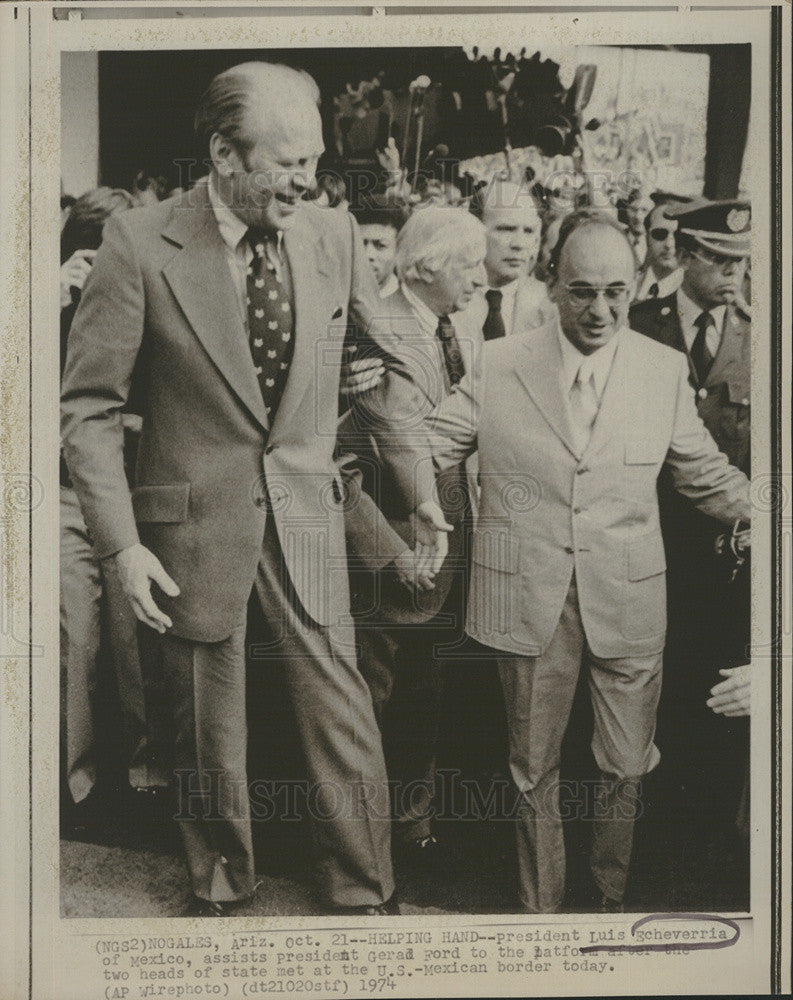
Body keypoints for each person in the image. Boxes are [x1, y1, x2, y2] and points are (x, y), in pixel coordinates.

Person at [61, 61, 419, 917]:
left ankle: (364, 891)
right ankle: (221, 891)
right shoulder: (140, 243)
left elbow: (399, 362)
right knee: (204, 728)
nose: (310, 180)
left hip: (305, 514)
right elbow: (88, 409)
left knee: (343, 715)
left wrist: (382, 389)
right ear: (223, 153)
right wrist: (122, 544)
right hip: (187, 527)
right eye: (289, 162)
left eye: (316, 160)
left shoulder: (330, 233)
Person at [380, 208, 751, 913]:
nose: (601, 309)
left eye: (616, 290)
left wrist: (772, 514)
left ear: (638, 281)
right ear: (552, 286)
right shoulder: (500, 361)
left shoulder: (661, 369)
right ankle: (538, 912)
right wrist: (364, 431)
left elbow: (704, 474)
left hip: (629, 599)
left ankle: (608, 900)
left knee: (623, 769)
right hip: (524, 599)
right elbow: (427, 446)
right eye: (582, 290)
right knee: (529, 770)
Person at [340, 206, 486, 870]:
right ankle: (360, 845)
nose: (479, 277)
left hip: (442, 552)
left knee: (423, 695)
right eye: (468, 263)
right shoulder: (376, 335)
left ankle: (411, 823)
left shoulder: (453, 329)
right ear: (429, 265)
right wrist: (389, 553)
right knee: (368, 702)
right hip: (390, 560)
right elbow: (346, 462)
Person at [630, 199, 751, 866]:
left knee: (713, 696)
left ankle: (700, 847)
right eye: (721, 258)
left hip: (725, 558)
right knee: (643, 690)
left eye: (742, 261)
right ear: (683, 256)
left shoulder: (762, 336)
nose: (735, 272)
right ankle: (645, 838)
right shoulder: (635, 328)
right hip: (646, 550)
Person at [59, 187, 169, 818]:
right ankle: (73, 784)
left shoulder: (153, 292)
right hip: (68, 494)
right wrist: (43, 301)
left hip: (137, 489)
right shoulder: (47, 304)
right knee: (77, 627)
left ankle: (149, 773)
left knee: (141, 635)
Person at [457, 178, 556, 343]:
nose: (519, 244)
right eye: (506, 229)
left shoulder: (551, 304)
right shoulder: (446, 299)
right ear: (474, 230)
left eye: (529, 231)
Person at [632, 192, 689, 302]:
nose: (669, 244)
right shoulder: (630, 283)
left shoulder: (690, 294)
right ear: (648, 237)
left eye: (678, 236)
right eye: (660, 234)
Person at [348, 192, 405, 298]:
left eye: (380, 246)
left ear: (399, 251)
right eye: (359, 244)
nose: (367, 254)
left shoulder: (409, 305)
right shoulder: (335, 298)